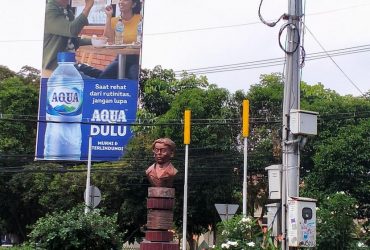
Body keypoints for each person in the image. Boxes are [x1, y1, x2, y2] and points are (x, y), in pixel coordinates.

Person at [42, 0, 95, 78]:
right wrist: (87, 7)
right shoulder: (49, 11)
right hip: (55, 69)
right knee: (97, 86)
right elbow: (72, 30)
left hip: (71, 65)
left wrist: (94, 41)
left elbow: (72, 41)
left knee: (103, 76)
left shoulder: (67, 11)